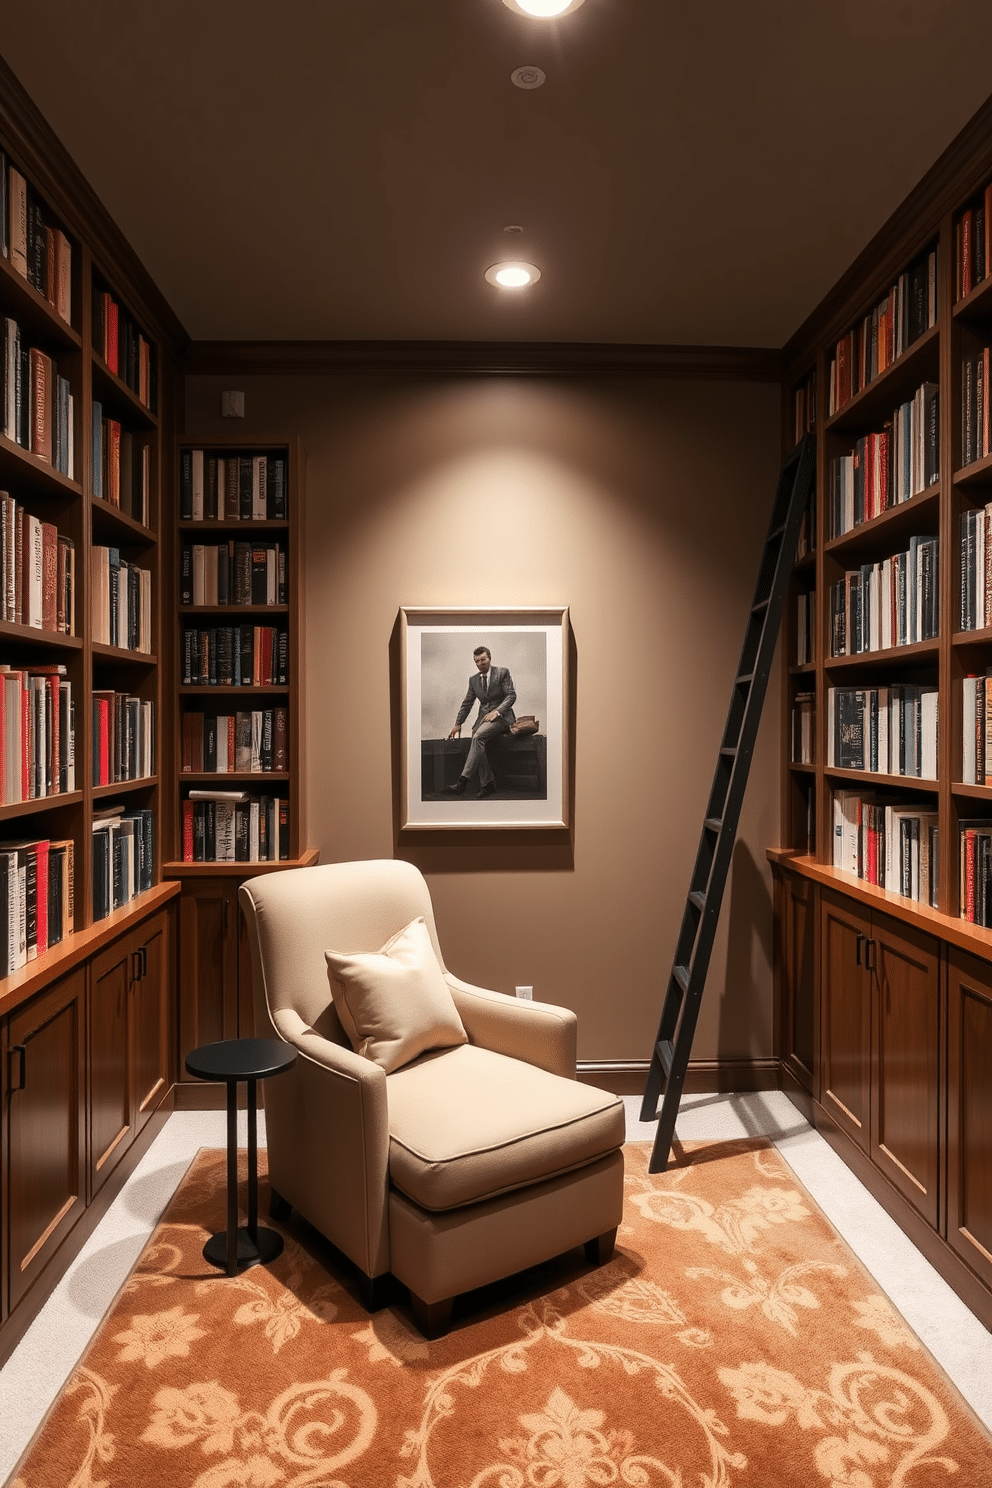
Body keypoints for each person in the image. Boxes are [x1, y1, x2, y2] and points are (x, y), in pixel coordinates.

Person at [446, 646, 516, 797]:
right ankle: (487, 783)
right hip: (482, 720)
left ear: (489, 658)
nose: (480, 664)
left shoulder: (502, 672)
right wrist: (458, 724)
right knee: (477, 740)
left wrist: (497, 712)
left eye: (483, 660)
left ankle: (462, 782)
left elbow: (511, 695)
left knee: (477, 737)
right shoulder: (473, 680)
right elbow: (467, 703)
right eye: (476, 661)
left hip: (502, 718)